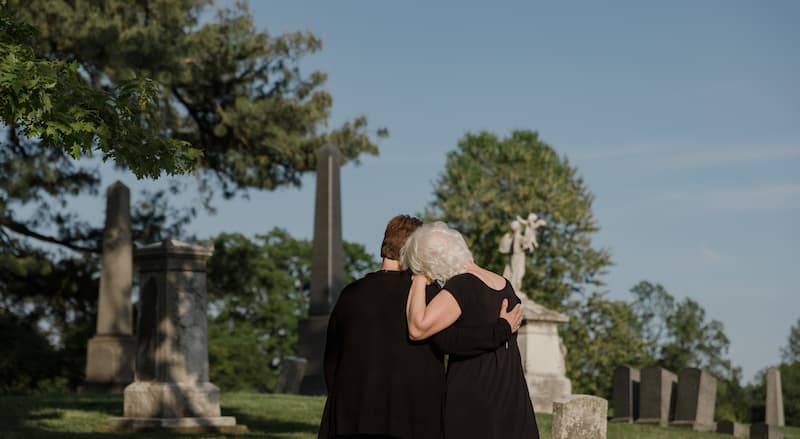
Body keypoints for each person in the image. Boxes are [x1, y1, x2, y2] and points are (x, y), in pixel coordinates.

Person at [318, 215, 524, 439]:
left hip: (350, 414)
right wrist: (501, 329)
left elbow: (332, 358)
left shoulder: (351, 294)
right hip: (410, 416)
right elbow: (452, 341)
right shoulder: (426, 293)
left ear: (383, 246)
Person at [401, 221, 539, 439]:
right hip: (511, 399)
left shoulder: (462, 285)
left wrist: (418, 276)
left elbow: (417, 328)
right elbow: (454, 339)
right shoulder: (504, 285)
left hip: (476, 400)